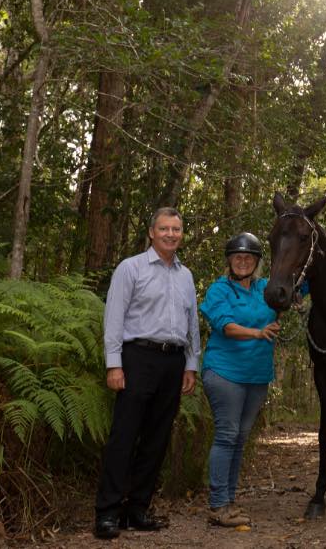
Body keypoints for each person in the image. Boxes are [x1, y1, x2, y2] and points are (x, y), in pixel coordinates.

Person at [94, 207, 201, 540]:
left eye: (177, 229)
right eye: (164, 228)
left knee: (156, 439)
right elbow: (114, 317)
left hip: (172, 363)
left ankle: (137, 509)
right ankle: (108, 512)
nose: (171, 234)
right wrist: (114, 364)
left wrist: (191, 364)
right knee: (124, 437)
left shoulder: (185, 276)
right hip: (137, 357)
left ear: (182, 234)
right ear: (152, 232)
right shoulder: (131, 268)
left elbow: (192, 323)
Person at [199, 232, 280, 527]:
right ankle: (218, 504)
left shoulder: (265, 288)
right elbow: (226, 327)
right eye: (237, 257)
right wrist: (258, 333)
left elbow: (298, 285)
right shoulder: (219, 290)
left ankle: (228, 502)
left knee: (240, 439)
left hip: (257, 376)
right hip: (225, 373)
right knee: (227, 434)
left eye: (249, 257)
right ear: (230, 261)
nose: (243, 261)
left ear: (257, 261)